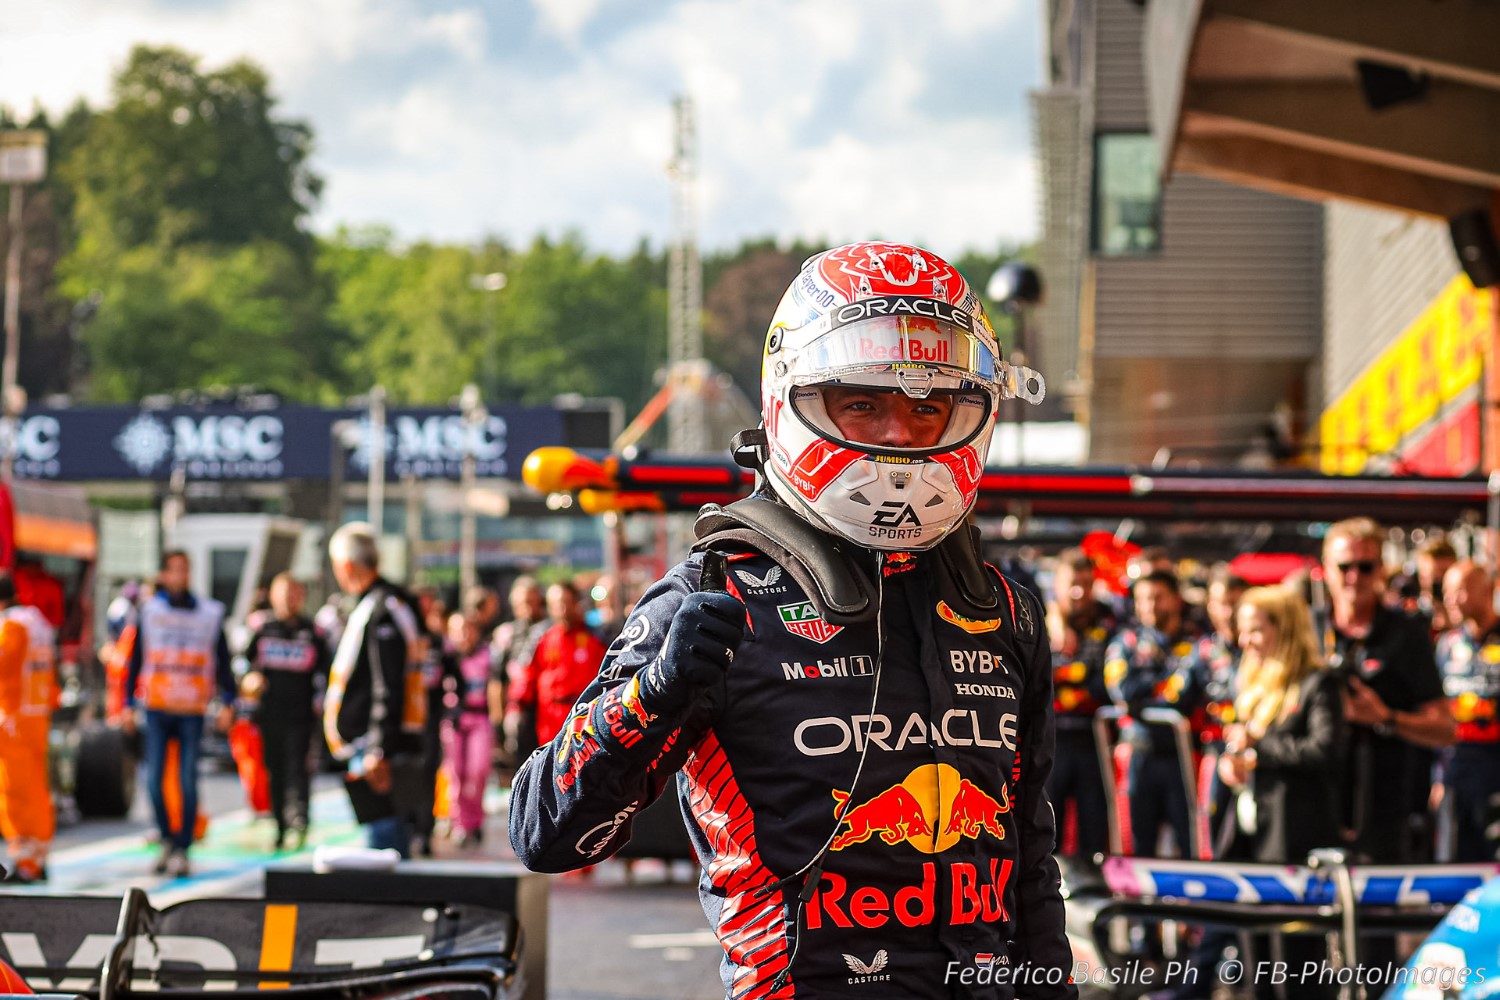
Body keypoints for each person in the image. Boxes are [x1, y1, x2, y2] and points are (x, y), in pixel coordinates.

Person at [510, 241, 1075, 998]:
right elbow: (542, 835)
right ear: (792, 401)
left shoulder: (1005, 611)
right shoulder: (714, 597)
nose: (901, 437)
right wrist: (650, 698)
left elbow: (1030, 862)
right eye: (864, 403)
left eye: (927, 405)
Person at [1213, 586, 1344, 1000]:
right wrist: (1232, 764)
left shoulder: (1318, 683)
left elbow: (1325, 751)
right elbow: (1246, 755)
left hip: (1295, 842)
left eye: (1255, 630)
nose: (1245, 641)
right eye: (1242, 631)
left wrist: (1258, 749)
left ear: (1284, 629)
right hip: (1252, 839)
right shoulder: (1250, 678)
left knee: (1297, 970)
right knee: (1257, 970)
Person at [1321, 517, 1453, 864]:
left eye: (1366, 567)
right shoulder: (1306, 630)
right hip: (1314, 807)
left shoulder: (1406, 634)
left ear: (1381, 571)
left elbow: (1444, 728)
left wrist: (1386, 718)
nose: (1354, 577)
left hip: (1387, 812)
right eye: (1344, 566)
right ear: (1325, 569)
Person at [125, 550, 235, 877]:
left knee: (188, 780)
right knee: (154, 782)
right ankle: (166, 839)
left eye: (185, 569)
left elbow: (223, 660)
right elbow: (135, 660)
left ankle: (183, 847)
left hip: (191, 709)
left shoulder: (209, 613)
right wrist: (127, 704)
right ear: (163, 574)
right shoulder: (150, 612)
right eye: (173, 570)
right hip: (157, 707)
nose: (180, 576)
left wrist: (229, 700)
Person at [324, 522, 425, 856]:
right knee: (384, 841)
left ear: (347, 566)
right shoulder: (382, 603)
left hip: (375, 749)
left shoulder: (383, 608)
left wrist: (377, 749)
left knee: (383, 849)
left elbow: (389, 683)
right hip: (374, 744)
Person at [1105, 569, 1204, 858]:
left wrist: (1150, 691)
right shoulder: (1125, 643)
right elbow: (1123, 692)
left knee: (1190, 843)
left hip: (1182, 755)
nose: (1149, 605)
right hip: (1139, 753)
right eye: (1143, 599)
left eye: (1157, 598)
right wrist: (1165, 682)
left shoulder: (1196, 642)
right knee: (1137, 843)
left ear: (1175, 599)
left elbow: (1183, 698)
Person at [241, 573, 331, 851]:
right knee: (275, 769)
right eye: (285, 594)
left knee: (299, 767)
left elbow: (328, 672)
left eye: (295, 593)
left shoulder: (312, 631)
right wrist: (249, 679)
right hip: (270, 713)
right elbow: (241, 662)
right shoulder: (264, 629)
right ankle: (279, 824)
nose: (290, 600)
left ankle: (299, 818)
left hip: (302, 715)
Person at [1045, 547, 1117, 860]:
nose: (1079, 592)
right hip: (1051, 740)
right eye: (1072, 583)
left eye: (1086, 584)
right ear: (1056, 585)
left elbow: (1103, 684)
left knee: (1094, 832)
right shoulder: (1035, 617)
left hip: (1094, 740)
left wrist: (1070, 677)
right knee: (1046, 831)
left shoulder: (1109, 620)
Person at [1435, 560, 1500, 861]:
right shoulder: (1447, 645)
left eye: (1459, 590)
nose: (1450, 599)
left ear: (1488, 590)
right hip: (1457, 767)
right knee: (1456, 855)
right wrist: (1436, 778)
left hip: (1495, 766)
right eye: (1446, 591)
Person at [0, 573, 57, 882]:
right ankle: (37, 857)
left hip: (13, 722)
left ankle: (26, 862)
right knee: (37, 789)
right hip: (35, 718)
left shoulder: (12, 627)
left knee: (15, 792)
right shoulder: (38, 623)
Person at [509, 581, 607, 752]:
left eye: (566, 603)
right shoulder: (541, 637)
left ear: (576, 603)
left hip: (585, 718)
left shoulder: (597, 638)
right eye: (556, 604)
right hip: (549, 718)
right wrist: (515, 708)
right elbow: (527, 675)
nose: (562, 609)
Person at [443, 612, 496, 846]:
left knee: (478, 770)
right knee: (456, 773)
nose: (463, 635)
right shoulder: (447, 657)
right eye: (457, 630)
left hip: (480, 717)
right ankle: (460, 823)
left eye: (468, 629)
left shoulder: (487, 655)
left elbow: (495, 686)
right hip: (453, 721)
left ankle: (475, 819)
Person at [489, 576, 546, 765]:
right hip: (518, 710)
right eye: (523, 602)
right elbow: (497, 679)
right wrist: (497, 721)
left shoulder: (552, 629)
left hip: (547, 709)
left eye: (532, 600)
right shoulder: (507, 634)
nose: (528, 606)